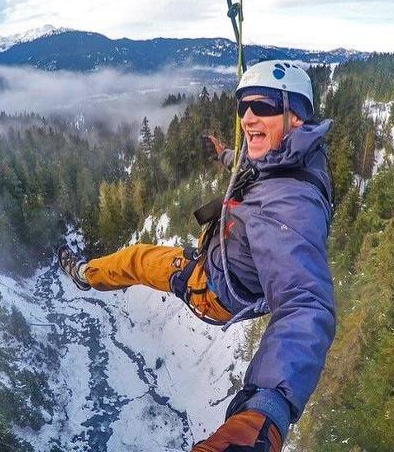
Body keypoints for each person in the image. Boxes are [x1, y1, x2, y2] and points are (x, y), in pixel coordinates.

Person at [57, 60, 335, 452]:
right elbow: (255, 168)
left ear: (295, 117)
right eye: (244, 106)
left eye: (266, 106)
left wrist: (266, 409)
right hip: (231, 265)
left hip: (213, 288)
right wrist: (225, 155)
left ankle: (85, 275)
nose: (249, 116)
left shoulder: (290, 208)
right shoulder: (299, 156)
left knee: (137, 258)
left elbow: (307, 303)